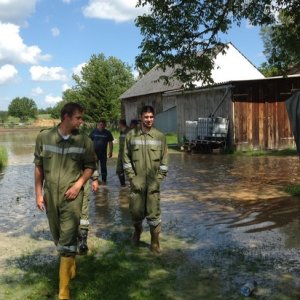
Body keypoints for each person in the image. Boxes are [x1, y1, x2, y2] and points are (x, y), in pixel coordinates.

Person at [34, 102, 97, 299]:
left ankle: (63, 293)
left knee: (68, 240)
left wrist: (78, 185)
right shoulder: (44, 137)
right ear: (66, 117)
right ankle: (70, 264)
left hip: (72, 197)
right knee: (58, 238)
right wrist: (38, 194)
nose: (81, 121)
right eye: (78, 117)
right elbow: (38, 167)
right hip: (50, 196)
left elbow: (89, 167)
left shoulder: (85, 141)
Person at [123, 105, 168, 253]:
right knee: (135, 212)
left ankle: (155, 241)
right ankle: (137, 232)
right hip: (137, 184)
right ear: (141, 117)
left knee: (154, 213)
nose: (149, 120)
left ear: (154, 118)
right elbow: (126, 159)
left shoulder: (160, 137)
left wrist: (158, 181)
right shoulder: (131, 136)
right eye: (146, 117)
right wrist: (131, 178)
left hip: (153, 185)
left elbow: (164, 162)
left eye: (151, 117)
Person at [78, 170, 99, 255]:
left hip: (83, 180)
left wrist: (95, 178)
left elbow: (90, 158)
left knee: (84, 211)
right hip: (63, 182)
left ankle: (83, 240)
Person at [89, 120, 114, 184]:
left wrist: (111, 151)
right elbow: (89, 142)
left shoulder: (107, 133)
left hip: (103, 153)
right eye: (100, 125)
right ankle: (95, 180)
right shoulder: (94, 132)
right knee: (94, 167)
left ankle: (104, 181)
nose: (102, 126)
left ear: (105, 125)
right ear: (98, 125)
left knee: (103, 167)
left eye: (103, 125)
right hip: (94, 153)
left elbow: (110, 142)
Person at [116, 119, 130, 187]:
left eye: (118, 124)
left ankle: (132, 186)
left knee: (129, 170)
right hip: (121, 153)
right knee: (119, 170)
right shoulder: (121, 131)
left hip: (127, 154)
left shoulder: (129, 131)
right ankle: (123, 186)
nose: (118, 125)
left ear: (121, 124)